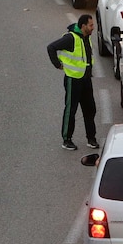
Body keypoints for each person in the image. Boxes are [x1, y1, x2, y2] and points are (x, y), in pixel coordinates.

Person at [47, 14, 98, 151]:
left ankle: (91, 138)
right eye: (91, 25)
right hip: (73, 80)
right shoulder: (70, 38)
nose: (93, 28)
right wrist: (57, 64)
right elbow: (51, 47)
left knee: (90, 109)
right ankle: (67, 139)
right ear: (83, 26)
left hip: (86, 79)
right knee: (71, 110)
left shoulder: (87, 37)